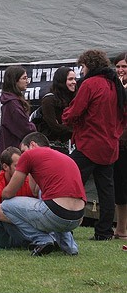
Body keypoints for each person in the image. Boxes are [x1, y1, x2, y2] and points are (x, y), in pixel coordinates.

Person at [62, 49, 127, 240]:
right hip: (110, 146)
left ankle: (64, 225)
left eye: (82, 67)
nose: (81, 71)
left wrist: (65, 116)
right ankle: (104, 231)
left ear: (89, 65)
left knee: (70, 182)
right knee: (106, 191)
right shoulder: (114, 84)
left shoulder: (90, 83)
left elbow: (75, 111)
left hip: (90, 143)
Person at [1, 132, 85, 256]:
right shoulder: (64, 157)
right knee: (47, 195)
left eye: (23, 151)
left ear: (32, 144)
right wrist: (31, 169)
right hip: (78, 217)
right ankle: (70, 247)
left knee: (6, 205)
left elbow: (8, 193)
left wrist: (2, 194)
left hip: (57, 214)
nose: (22, 155)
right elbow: (35, 191)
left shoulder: (29, 155)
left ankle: (42, 240)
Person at [0, 147, 34, 249]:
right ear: (5, 167)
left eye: (23, 165)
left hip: (17, 231)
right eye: (17, 166)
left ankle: (39, 240)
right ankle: (36, 240)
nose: (23, 170)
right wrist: (24, 219)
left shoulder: (27, 181)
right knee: (4, 210)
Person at [0, 65, 36, 154]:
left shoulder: (12, 101)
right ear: (14, 81)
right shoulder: (12, 104)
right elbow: (25, 128)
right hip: (15, 153)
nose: (27, 81)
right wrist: (34, 126)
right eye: (24, 78)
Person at [38, 66, 76, 152]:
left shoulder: (72, 99)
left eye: (74, 79)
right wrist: (74, 130)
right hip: (51, 147)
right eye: (70, 79)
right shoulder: (49, 100)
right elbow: (54, 126)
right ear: (61, 81)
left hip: (68, 147)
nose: (74, 82)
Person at [113, 51, 127, 240]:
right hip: (119, 144)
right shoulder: (115, 87)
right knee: (120, 187)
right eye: (118, 66)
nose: (121, 70)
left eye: (124, 66)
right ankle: (121, 228)